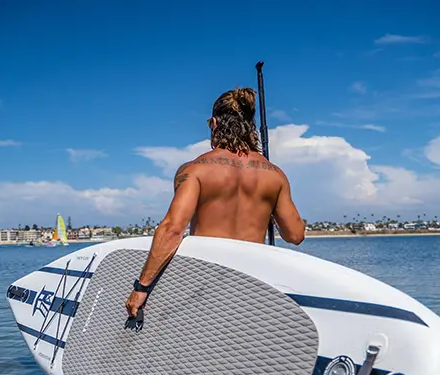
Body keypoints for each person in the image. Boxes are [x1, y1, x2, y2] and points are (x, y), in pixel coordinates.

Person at [125, 87, 305, 318]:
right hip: (254, 285)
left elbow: (172, 229)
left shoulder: (195, 170)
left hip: (206, 285)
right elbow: (295, 235)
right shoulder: (275, 175)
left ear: (214, 124)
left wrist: (142, 287)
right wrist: (266, 205)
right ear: (250, 128)